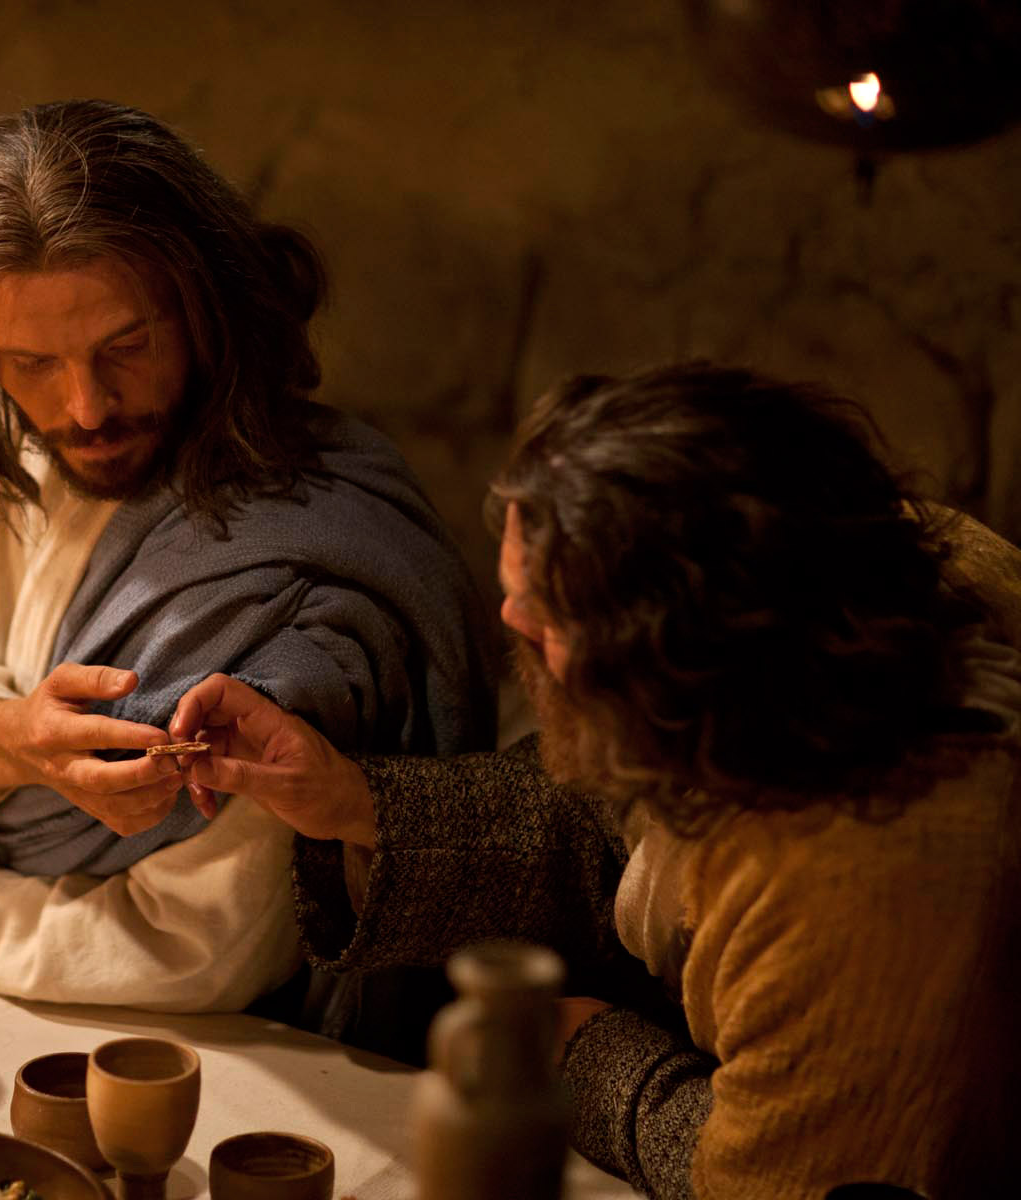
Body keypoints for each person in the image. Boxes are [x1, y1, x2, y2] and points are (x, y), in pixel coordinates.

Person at [167, 363, 1021, 1197]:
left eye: (546, 623)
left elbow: (768, 1177)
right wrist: (351, 800)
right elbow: (609, 821)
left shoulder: (864, 872)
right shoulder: (791, 655)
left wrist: (592, 1059)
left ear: (679, 652)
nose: (509, 617)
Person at [0, 98, 497, 1014]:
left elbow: (192, 951)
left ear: (207, 309)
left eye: (127, 346)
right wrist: (17, 739)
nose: (86, 408)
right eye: (33, 363)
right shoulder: (14, 438)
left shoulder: (297, 597)